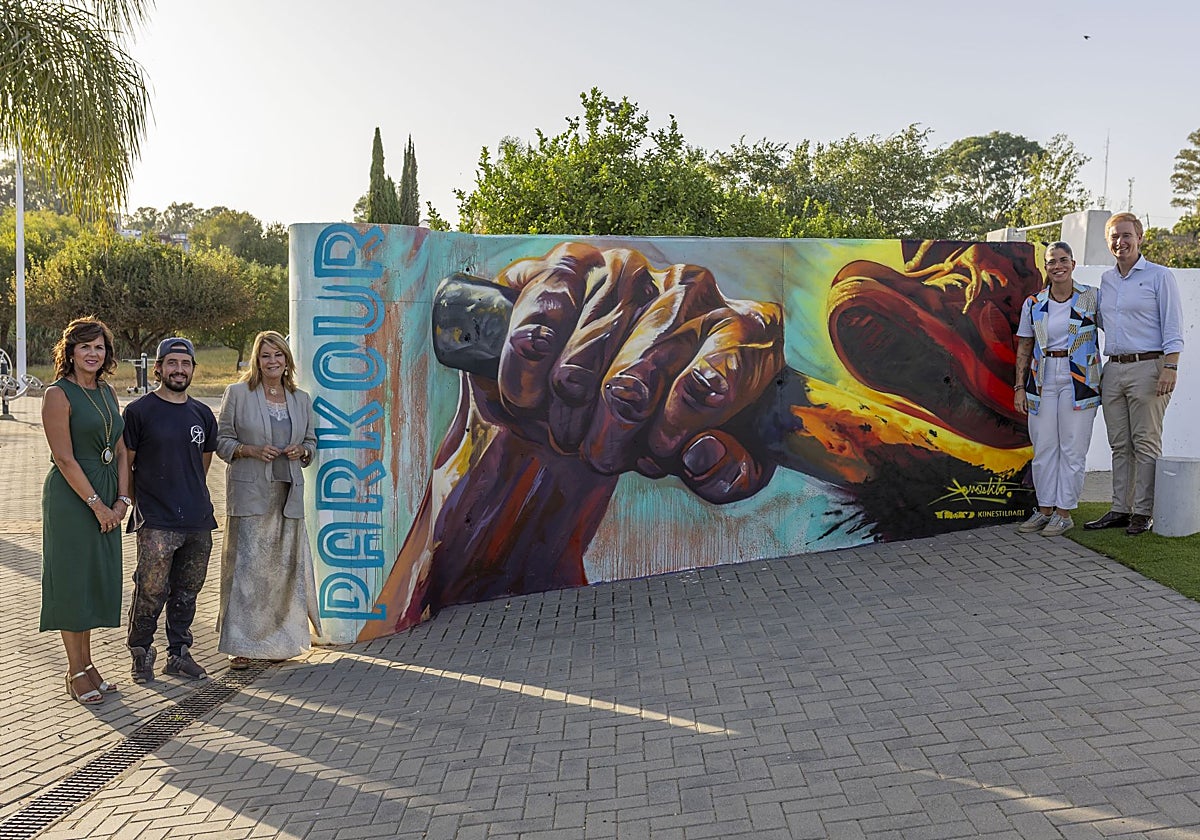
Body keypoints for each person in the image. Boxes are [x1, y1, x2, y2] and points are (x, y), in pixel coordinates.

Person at [215, 331, 320, 668]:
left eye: (278, 355)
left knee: (283, 572)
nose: (272, 361)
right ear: (256, 361)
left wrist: (302, 450)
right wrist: (250, 450)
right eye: (265, 356)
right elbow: (222, 442)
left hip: (287, 495)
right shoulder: (238, 394)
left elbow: (312, 443)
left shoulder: (301, 399)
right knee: (247, 572)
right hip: (250, 494)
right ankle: (241, 645)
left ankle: (280, 642)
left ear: (287, 359)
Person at [40, 317, 131, 704]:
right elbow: (63, 457)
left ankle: (89, 663)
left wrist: (123, 500)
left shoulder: (108, 391)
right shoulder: (56, 394)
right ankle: (74, 670)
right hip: (73, 500)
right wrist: (97, 505)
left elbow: (123, 449)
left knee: (94, 581)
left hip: (108, 497)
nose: (93, 354)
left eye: (99, 347)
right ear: (70, 352)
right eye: (85, 347)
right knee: (73, 583)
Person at [122, 337, 218, 683]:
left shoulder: (203, 414)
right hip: (156, 520)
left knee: (188, 591)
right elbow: (127, 465)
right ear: (158, 368)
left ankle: (178, 654)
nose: (179, 370)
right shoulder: (138, 412)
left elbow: (202, 465)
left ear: (193, 368)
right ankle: (141, 652)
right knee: (150, 588)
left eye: (186, 364)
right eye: (172, 363)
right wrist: (138, 503)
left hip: (197, 519)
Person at [1085, 212, 1185, 536]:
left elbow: (1173, 327)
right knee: (1119, 445)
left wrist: (1170, 367)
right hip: (1113, 369)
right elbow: (1101, 321)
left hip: (1150, 367)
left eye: (1126, 235)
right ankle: (1119, 509)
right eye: (1114, 236)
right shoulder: (1107, 280)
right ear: (1108, 242)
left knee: (1145, 443)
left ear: (1140, 237)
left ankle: (1143, 512)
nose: (1120, 242)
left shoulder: (1159, 276)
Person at [1012, 242, 1101, 537]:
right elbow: (1025, 346)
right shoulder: (1034, 303)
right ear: (1045, 267)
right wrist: (1019, 388)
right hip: (1043, 379)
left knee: (1072, 448)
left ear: (1073, 264)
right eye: (1052, 262)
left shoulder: (1091, 297)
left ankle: (1064, 513)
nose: (1058, 266)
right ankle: (1045, 509)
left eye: (1063, 260)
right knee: (1044, 447)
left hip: (1081, 381)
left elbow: (1115, 329)